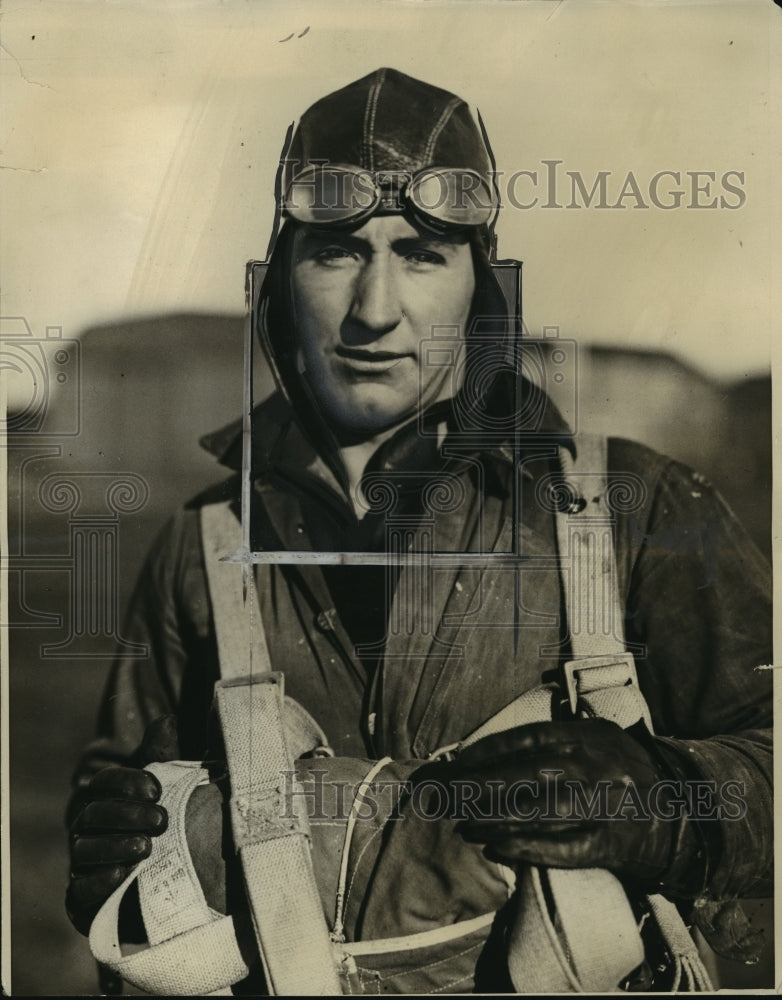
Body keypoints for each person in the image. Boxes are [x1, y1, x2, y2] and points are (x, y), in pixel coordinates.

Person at [65, 68, 772, 993]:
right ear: (279, 281)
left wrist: (673, 808)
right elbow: (117, 814)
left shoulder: (629, 507)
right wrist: (107, 853)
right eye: (337, 252)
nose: (374, 310)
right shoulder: (207, 545)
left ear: (481, 285)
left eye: (423, 255)